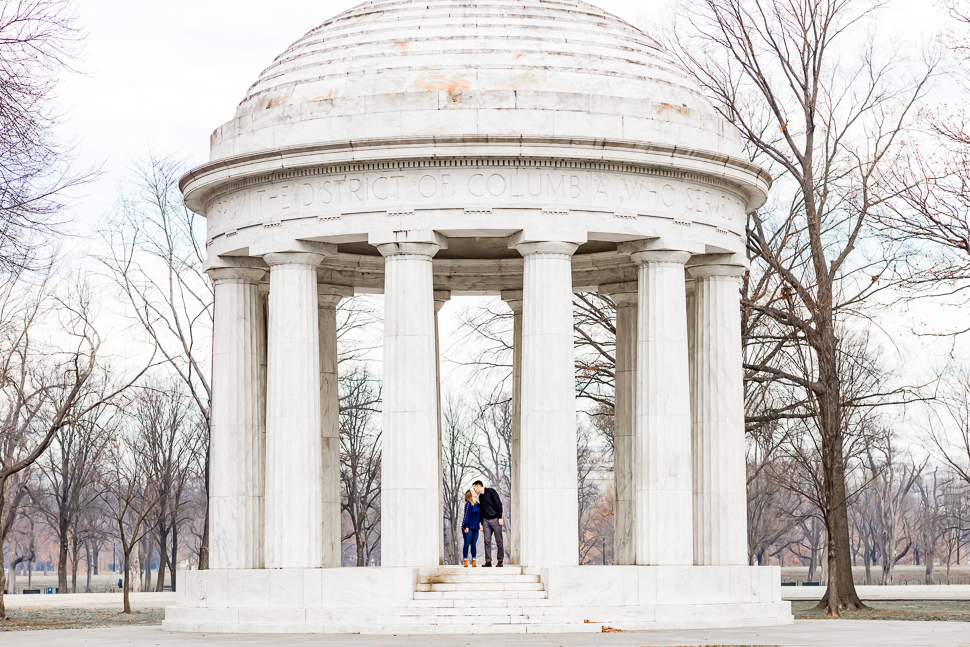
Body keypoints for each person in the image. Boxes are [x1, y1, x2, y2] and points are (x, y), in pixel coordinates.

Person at [473, 480, 504, 567]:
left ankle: (500, 561)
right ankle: (488, 561)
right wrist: (481, 523)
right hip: (486, 520)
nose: (474, 490)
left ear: (478, 487)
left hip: (495, 519)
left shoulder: (491, 491)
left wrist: (500, 517)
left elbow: (498, 504)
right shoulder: (480, 498)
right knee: (487, 541)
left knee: (499, 541)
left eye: (474, 488)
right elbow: (482, 511)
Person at [461, 489, 481, 567]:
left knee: (473, 545)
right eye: (473, 491)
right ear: (469, 495)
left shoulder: (478, 505)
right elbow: (466, 516)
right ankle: (465, 561)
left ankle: (474, 561)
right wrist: (465, 526)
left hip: (476, 528)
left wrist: (480, 524)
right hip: (468, 527)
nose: (475, 492)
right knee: (466, 544)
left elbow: (479, 516)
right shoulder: (468, 504)